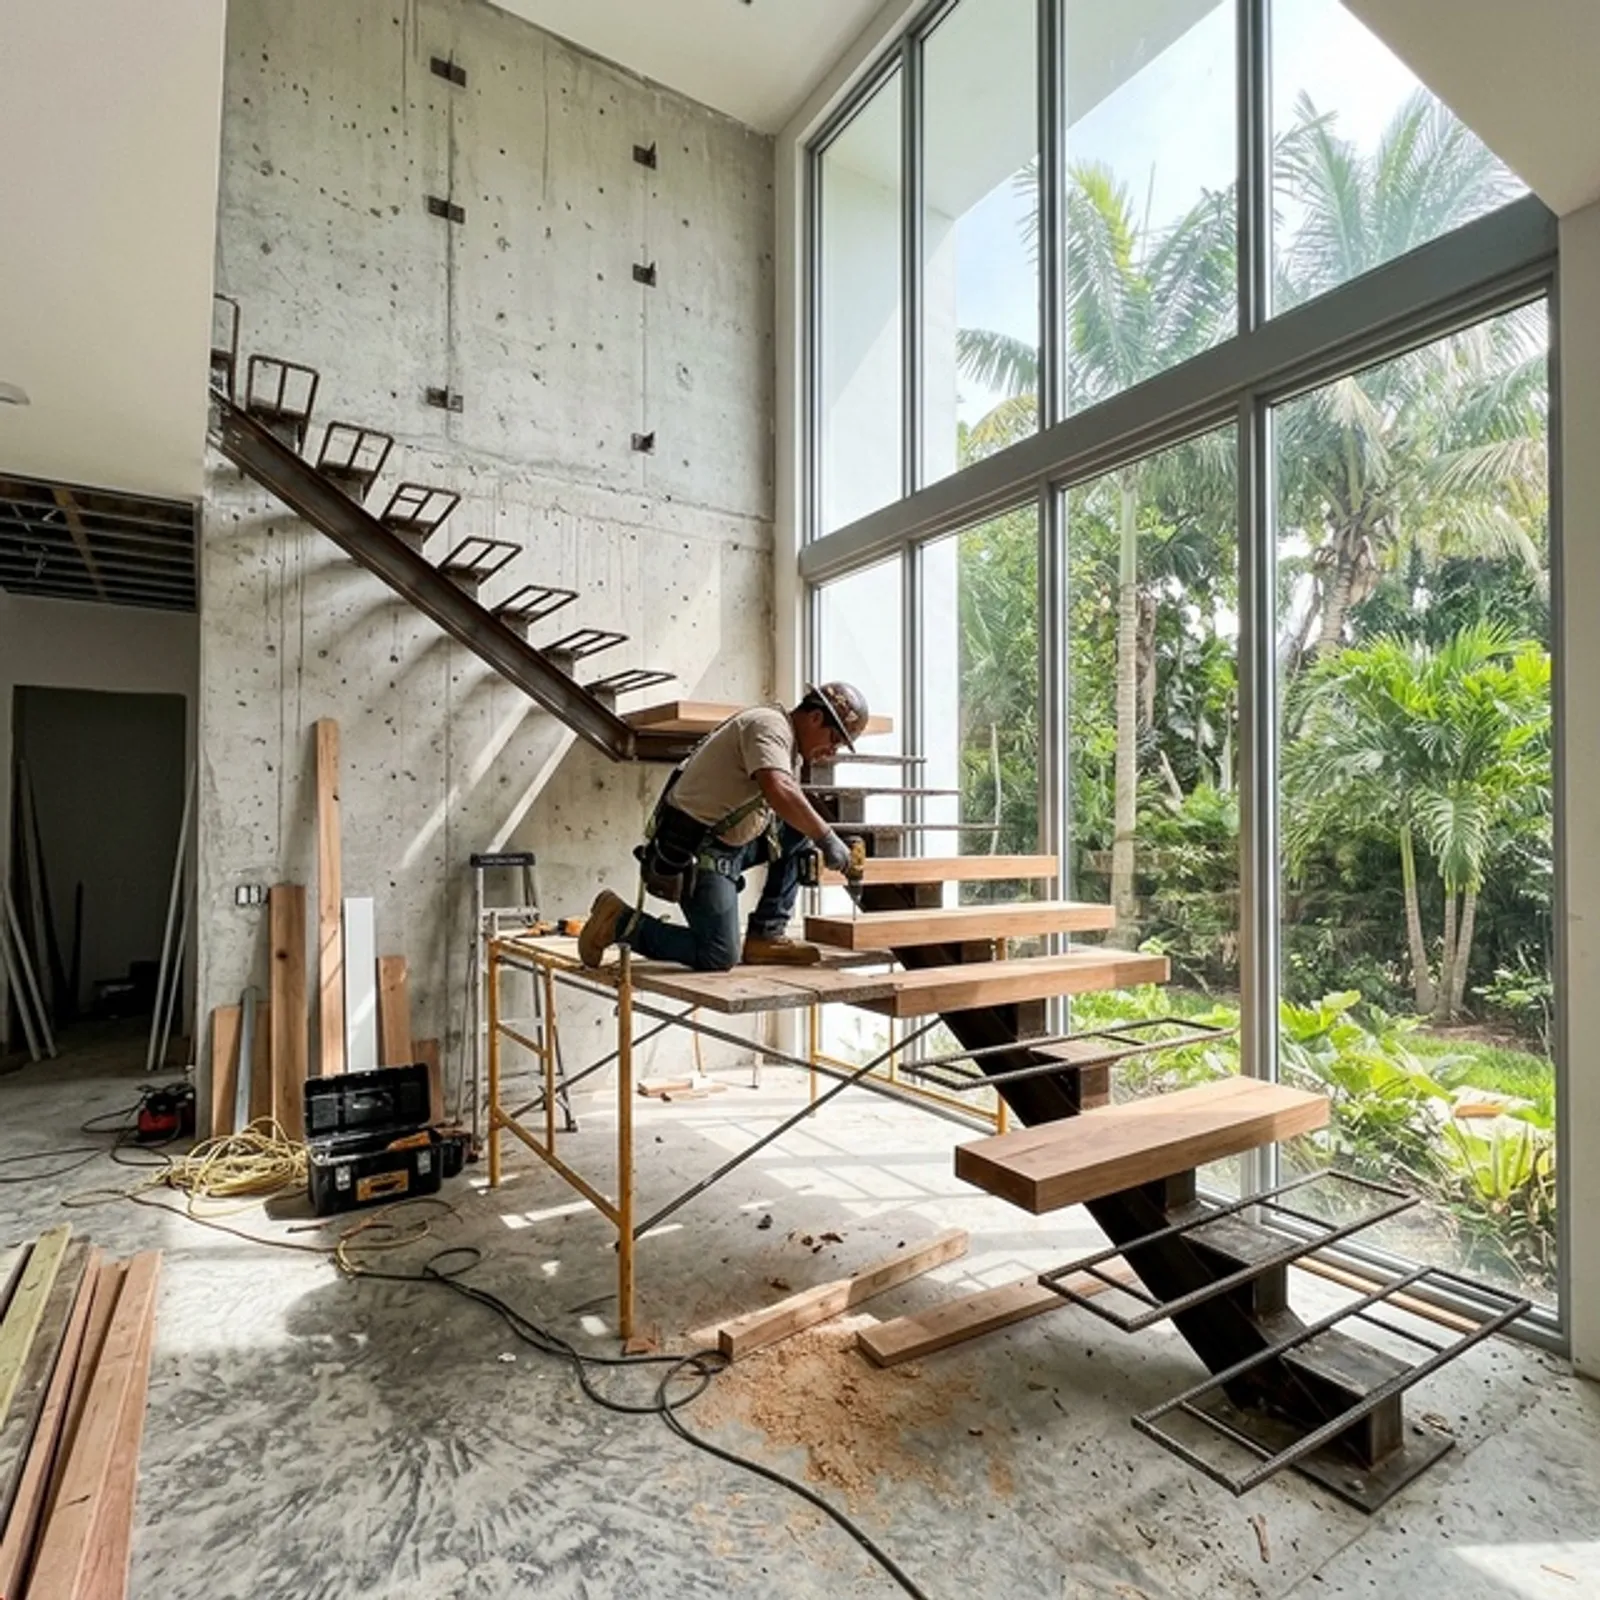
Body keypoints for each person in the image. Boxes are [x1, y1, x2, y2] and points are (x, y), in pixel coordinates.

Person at [578, 682, 871, 972]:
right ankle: (619, 922)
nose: (832, 751)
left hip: (730, 844)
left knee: (797, 831)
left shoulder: (788, 743)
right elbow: (777, 787)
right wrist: (827, 838)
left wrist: (817, 835)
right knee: (718, 954)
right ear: (816, 717)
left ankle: (766, 934)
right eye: (834, 739)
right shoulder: (770, 727)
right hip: (697, 849)